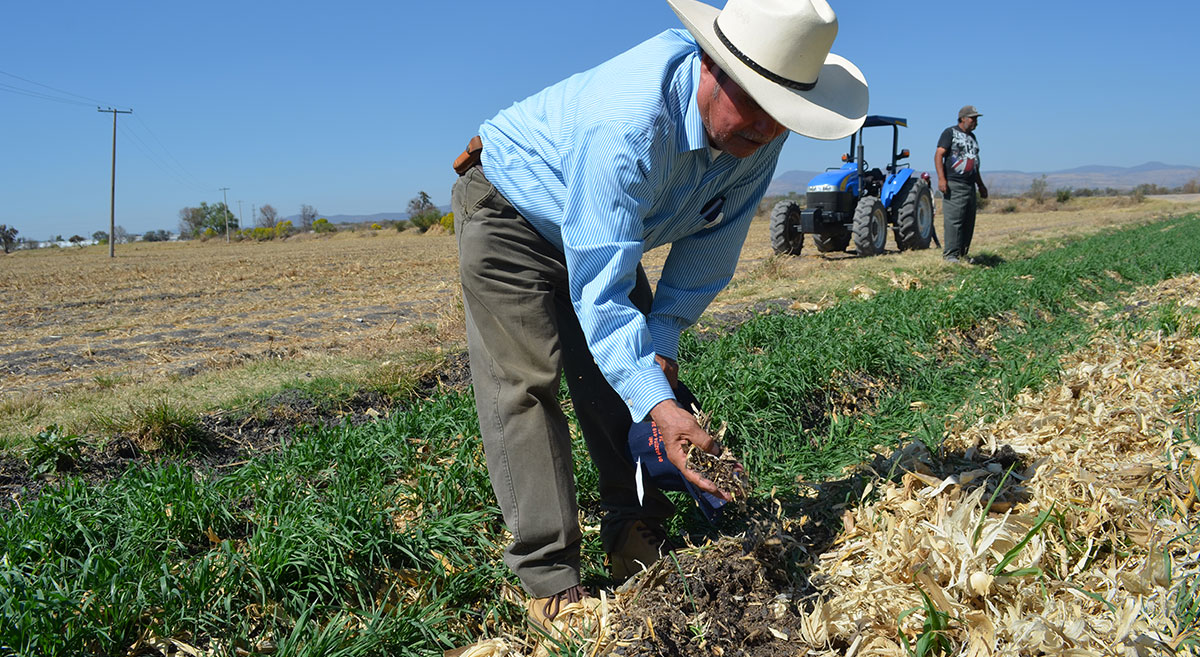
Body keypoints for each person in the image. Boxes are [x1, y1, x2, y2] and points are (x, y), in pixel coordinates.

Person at [449, 0, 868, 634]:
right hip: (513, 211)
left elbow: (710, 247)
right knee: (527, 387)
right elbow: (602, 294)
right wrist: (658, 398)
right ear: (711, 66)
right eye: (755, 104)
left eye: (784, 116)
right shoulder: (629, 123)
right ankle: (550, 580)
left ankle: (630, 529)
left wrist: (663, 347)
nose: (768, 130)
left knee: (636, 377)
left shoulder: (759, 135)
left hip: (602, 231)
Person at [934, 105, 988, 263]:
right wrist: (941, 179)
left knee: (968, 220)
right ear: (962, 119)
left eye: (976, 119)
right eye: (973, 118)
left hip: (970, 185)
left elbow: (975, 164)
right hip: (954, 184)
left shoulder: (973, 138)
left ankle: (963, 255)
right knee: (954, 220)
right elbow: (939, 155)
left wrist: (981, 185)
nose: (975, 122)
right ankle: (950, 255)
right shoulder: (949, 133)